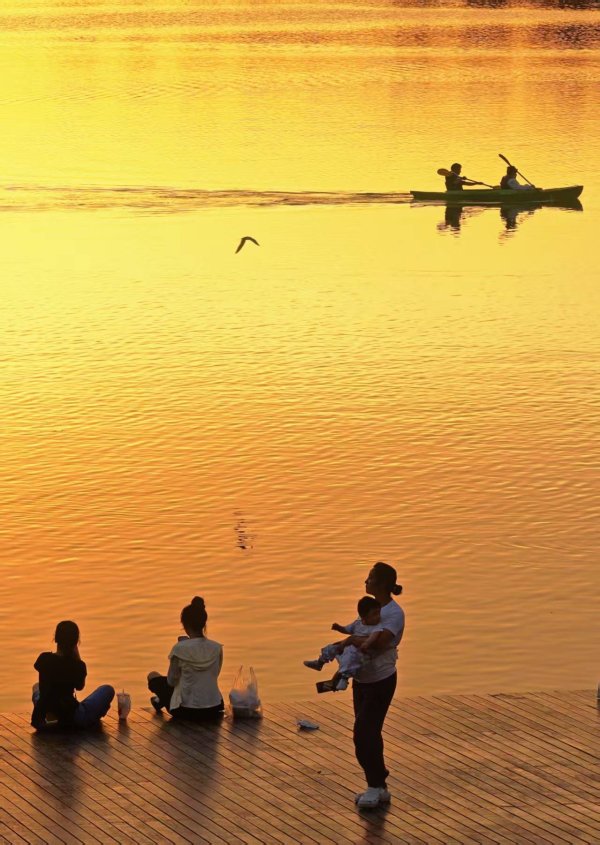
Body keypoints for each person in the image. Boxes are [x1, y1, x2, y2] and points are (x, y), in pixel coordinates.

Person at [347, 562, 405, 810]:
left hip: (381, 681)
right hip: (361, 681)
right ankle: (379, 786)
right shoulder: (370, 609)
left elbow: (379, 643)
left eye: (370, 578)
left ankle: (374, 784)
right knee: (370, 733)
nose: (365, 582)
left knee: (363, 733)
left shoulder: (394, 613)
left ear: (381, 584)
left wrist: (352, 640)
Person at [148, 596, 224, 721]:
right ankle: (159, 700)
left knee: (153, 676)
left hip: (185, 711)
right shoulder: (216, 648)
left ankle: (159, 700)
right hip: (214, 708)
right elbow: (214, 674)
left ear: (184, 624)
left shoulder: (180, 649)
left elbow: (171, 681)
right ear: (204, 623)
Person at [31, 621, 115, 730]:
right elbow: (80, 686)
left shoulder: (43, 658)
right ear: (76, 642)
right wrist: (77, 658)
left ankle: (50, 718)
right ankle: (85, 718)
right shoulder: (77, 665)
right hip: (69, 720)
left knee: (36, 686)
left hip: (41, 720)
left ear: (56, 639)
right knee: (108, 690)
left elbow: (42, 669)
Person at [303, 596, 384, 692]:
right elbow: (348, 629)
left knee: (350, 660)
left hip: (362, 652)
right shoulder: (358, 623)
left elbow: (374, 637)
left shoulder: (377, 627)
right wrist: (339, 628)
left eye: (379, 613)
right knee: (331, 648)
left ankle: (344, 680)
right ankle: (320, 662)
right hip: (349, 647)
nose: (378, 616)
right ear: (364, 617)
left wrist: (366, 643)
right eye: (374, 614)